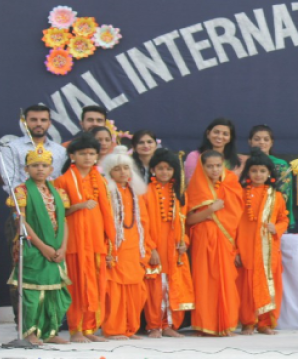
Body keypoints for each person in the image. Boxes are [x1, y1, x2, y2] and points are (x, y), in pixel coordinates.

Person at [6, 145, 71, 345]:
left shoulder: (59, 192)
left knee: (54, 293)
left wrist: (63, 248)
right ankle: (30, 333)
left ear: (51, 169)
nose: (40, 169)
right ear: (26, 169)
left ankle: (50, 331)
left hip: (56, 249)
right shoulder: (21, 191)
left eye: (44, 165)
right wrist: (43, 247)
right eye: (35, 165)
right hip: (33, 248)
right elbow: (21, 222)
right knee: (32, 293)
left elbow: (64, 221)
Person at [52, 134, 115, 343]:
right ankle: (76, 330)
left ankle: (89, 329)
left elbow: (107, 213)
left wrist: (109, 242)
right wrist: (78, 206)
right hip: (74, 243)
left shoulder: (101, 181)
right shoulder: (62, 181)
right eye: (82, 153)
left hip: (96, 241)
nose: (88, 157)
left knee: (96, 285)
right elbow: (57, 213)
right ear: (72, 156)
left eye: (91, 153)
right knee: (77, 286)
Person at [186, 150, 244, 336]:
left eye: (218, 165)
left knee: (226, 280)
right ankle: (205, 325)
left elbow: (237, 218)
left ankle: (226, 324)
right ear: (202, 167)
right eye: (209, 166)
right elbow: (189, 220)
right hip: (203, 239)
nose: (214, 170)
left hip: (226, 239)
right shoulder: (196, 186)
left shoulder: (231, 184)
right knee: (204, 281)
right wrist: (210, 210)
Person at [141, 148, 194, 338]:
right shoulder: (146, 192)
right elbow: (142, 223)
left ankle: (169, 325)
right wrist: (151, 248)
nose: (165, 172)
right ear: (153, 170)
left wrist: (184, 242)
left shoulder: (179, 193)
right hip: (155, 248)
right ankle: (154, 325)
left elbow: (184, 222)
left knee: (174, 286)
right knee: (156, 288)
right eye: (161, 168)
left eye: (169, 169)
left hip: (174, 250)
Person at [236, 151, 289, 335]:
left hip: (268, 250)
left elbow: (284, 219)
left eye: (262, 171)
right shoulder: (239, 194)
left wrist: (277, 228)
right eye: (254, 170)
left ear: (269, 173)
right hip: (245, 248)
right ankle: (248, 322)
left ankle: (265, 323)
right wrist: (235, 250)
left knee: (267, 284)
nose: (258, 174)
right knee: (246, 287)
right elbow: (232, 224)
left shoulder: (277, 196)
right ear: (248, 172)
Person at [100, 146, 149, 340]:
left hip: (134, 248)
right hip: (115, 249)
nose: (123, 172)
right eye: (117, 169)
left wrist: (147, 248)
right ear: (110, 172)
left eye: (126, 168)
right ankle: (114, 329)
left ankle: (130, 328)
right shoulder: (107, 192)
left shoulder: (136, 193)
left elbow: (144, 222)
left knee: (136, 291)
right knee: (115, 291)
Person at [0, 104, 67, 190]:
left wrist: (50, 195)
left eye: (43, 120)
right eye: (33, 120)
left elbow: (63, 181)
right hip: (23, 197)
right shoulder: (10, 148)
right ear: (25, 123)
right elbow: (11, 182)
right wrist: (34, 195)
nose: (39, 124)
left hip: (55, 196)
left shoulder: (61, 151)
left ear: (49, 123)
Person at [247, 125, 295, 229]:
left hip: (273, 219)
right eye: (257, 139)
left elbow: (283, 195)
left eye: (266, 139)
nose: (261, 142)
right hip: (247, 216)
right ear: (250, 142)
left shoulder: (281, 165)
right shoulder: (244, 163)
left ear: (271, 143)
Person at [184, 118, 241, 183]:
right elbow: (191, 183)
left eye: (225, 134)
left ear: (230, 138)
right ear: (208, 133)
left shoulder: (234, 161)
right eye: (216, 132)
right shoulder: (195, 156)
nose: (220, 136)